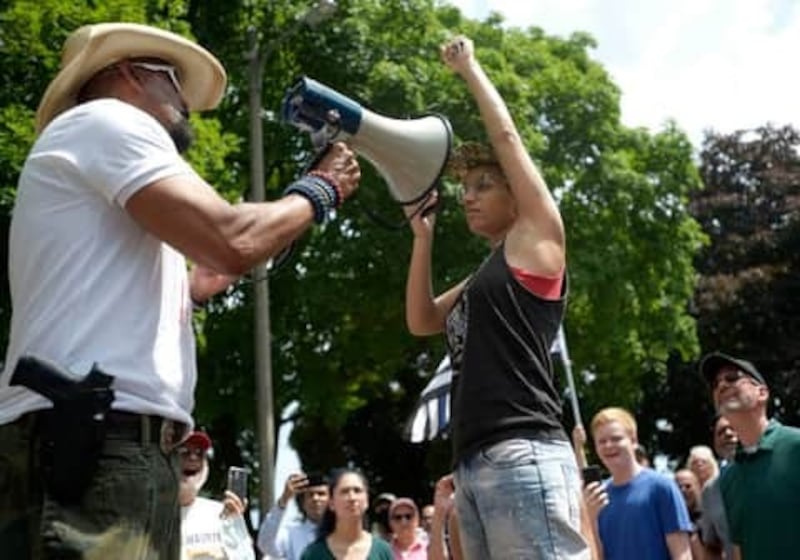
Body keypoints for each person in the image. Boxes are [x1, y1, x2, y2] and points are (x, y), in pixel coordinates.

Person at [0, 22, 360, 559]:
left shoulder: (87, 145)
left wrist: (194, 289)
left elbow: (207, 262)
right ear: (124, 75)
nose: (186, 102)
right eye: (172, 79)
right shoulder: (109, 119)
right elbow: (232, 239)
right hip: (101, 441)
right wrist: (320, 188)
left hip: (82, 435)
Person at [404, 34, 586, 560]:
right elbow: (422, 319)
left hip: (524, 452)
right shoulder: (486, 273)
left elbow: (505, 137)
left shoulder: (538, 238)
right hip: (474, 462)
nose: (468, 195)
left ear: (515, 192)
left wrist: (470, 69)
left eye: (485, 184)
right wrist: (423, 239)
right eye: (466, 188)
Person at [700, 351, 800, 559]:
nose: (722, 385)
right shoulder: (727, 479)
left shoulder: (795, 445)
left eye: (732, 377)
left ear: (762, 392)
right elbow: (739, 550)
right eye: (715, 384)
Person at [583, 407, 692, 560]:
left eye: (616, 439)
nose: (608, 446)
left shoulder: (661, 487)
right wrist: (591, 520)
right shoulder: (598, 497)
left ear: (633, 441)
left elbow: (682, 554)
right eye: (602, 441)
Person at [179, 431, 254, 560]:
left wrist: (234, 522)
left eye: (200, 454)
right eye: (185, 452)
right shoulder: (149, 516)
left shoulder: (222, 514)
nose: (193, 458)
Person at [300, 469, 392, 560]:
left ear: (367, 501)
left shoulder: (382, 551)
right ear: (331, 503)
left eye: (357, 490)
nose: (352, 498)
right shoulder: (313, 554)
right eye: (344, 492)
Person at [257, 472, 330, 560]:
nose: (315, 499)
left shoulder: (344, 533)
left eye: (321, 494)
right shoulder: (290, 534)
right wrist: (284, 499)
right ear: (303, 503)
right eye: (310, 495)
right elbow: (265, 544)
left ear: (333, 501)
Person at [698, 415, 738, 560]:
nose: (728, 434)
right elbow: (711, 546)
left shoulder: (771, 471)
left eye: (733, 428)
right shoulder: (710, 491)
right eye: (720, 432)